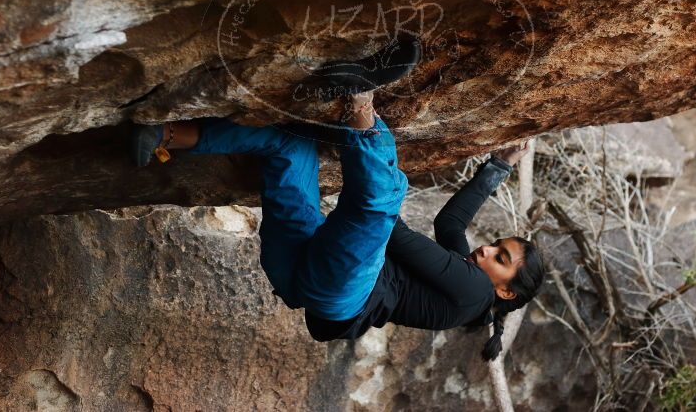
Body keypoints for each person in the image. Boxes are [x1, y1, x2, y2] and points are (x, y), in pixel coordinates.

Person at [130, 38, 544, 360]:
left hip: (341, 288)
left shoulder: (473, 291)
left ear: (505, 292)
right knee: (289, 147)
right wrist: (498, 168)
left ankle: (360, 99)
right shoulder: (467, 281)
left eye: (501, 260)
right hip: (301, 276)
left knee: (385, 199)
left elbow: (395, 235)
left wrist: (357, 156)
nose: (487, 249)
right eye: (498, 245)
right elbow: (450, 226)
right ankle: (163, 136)